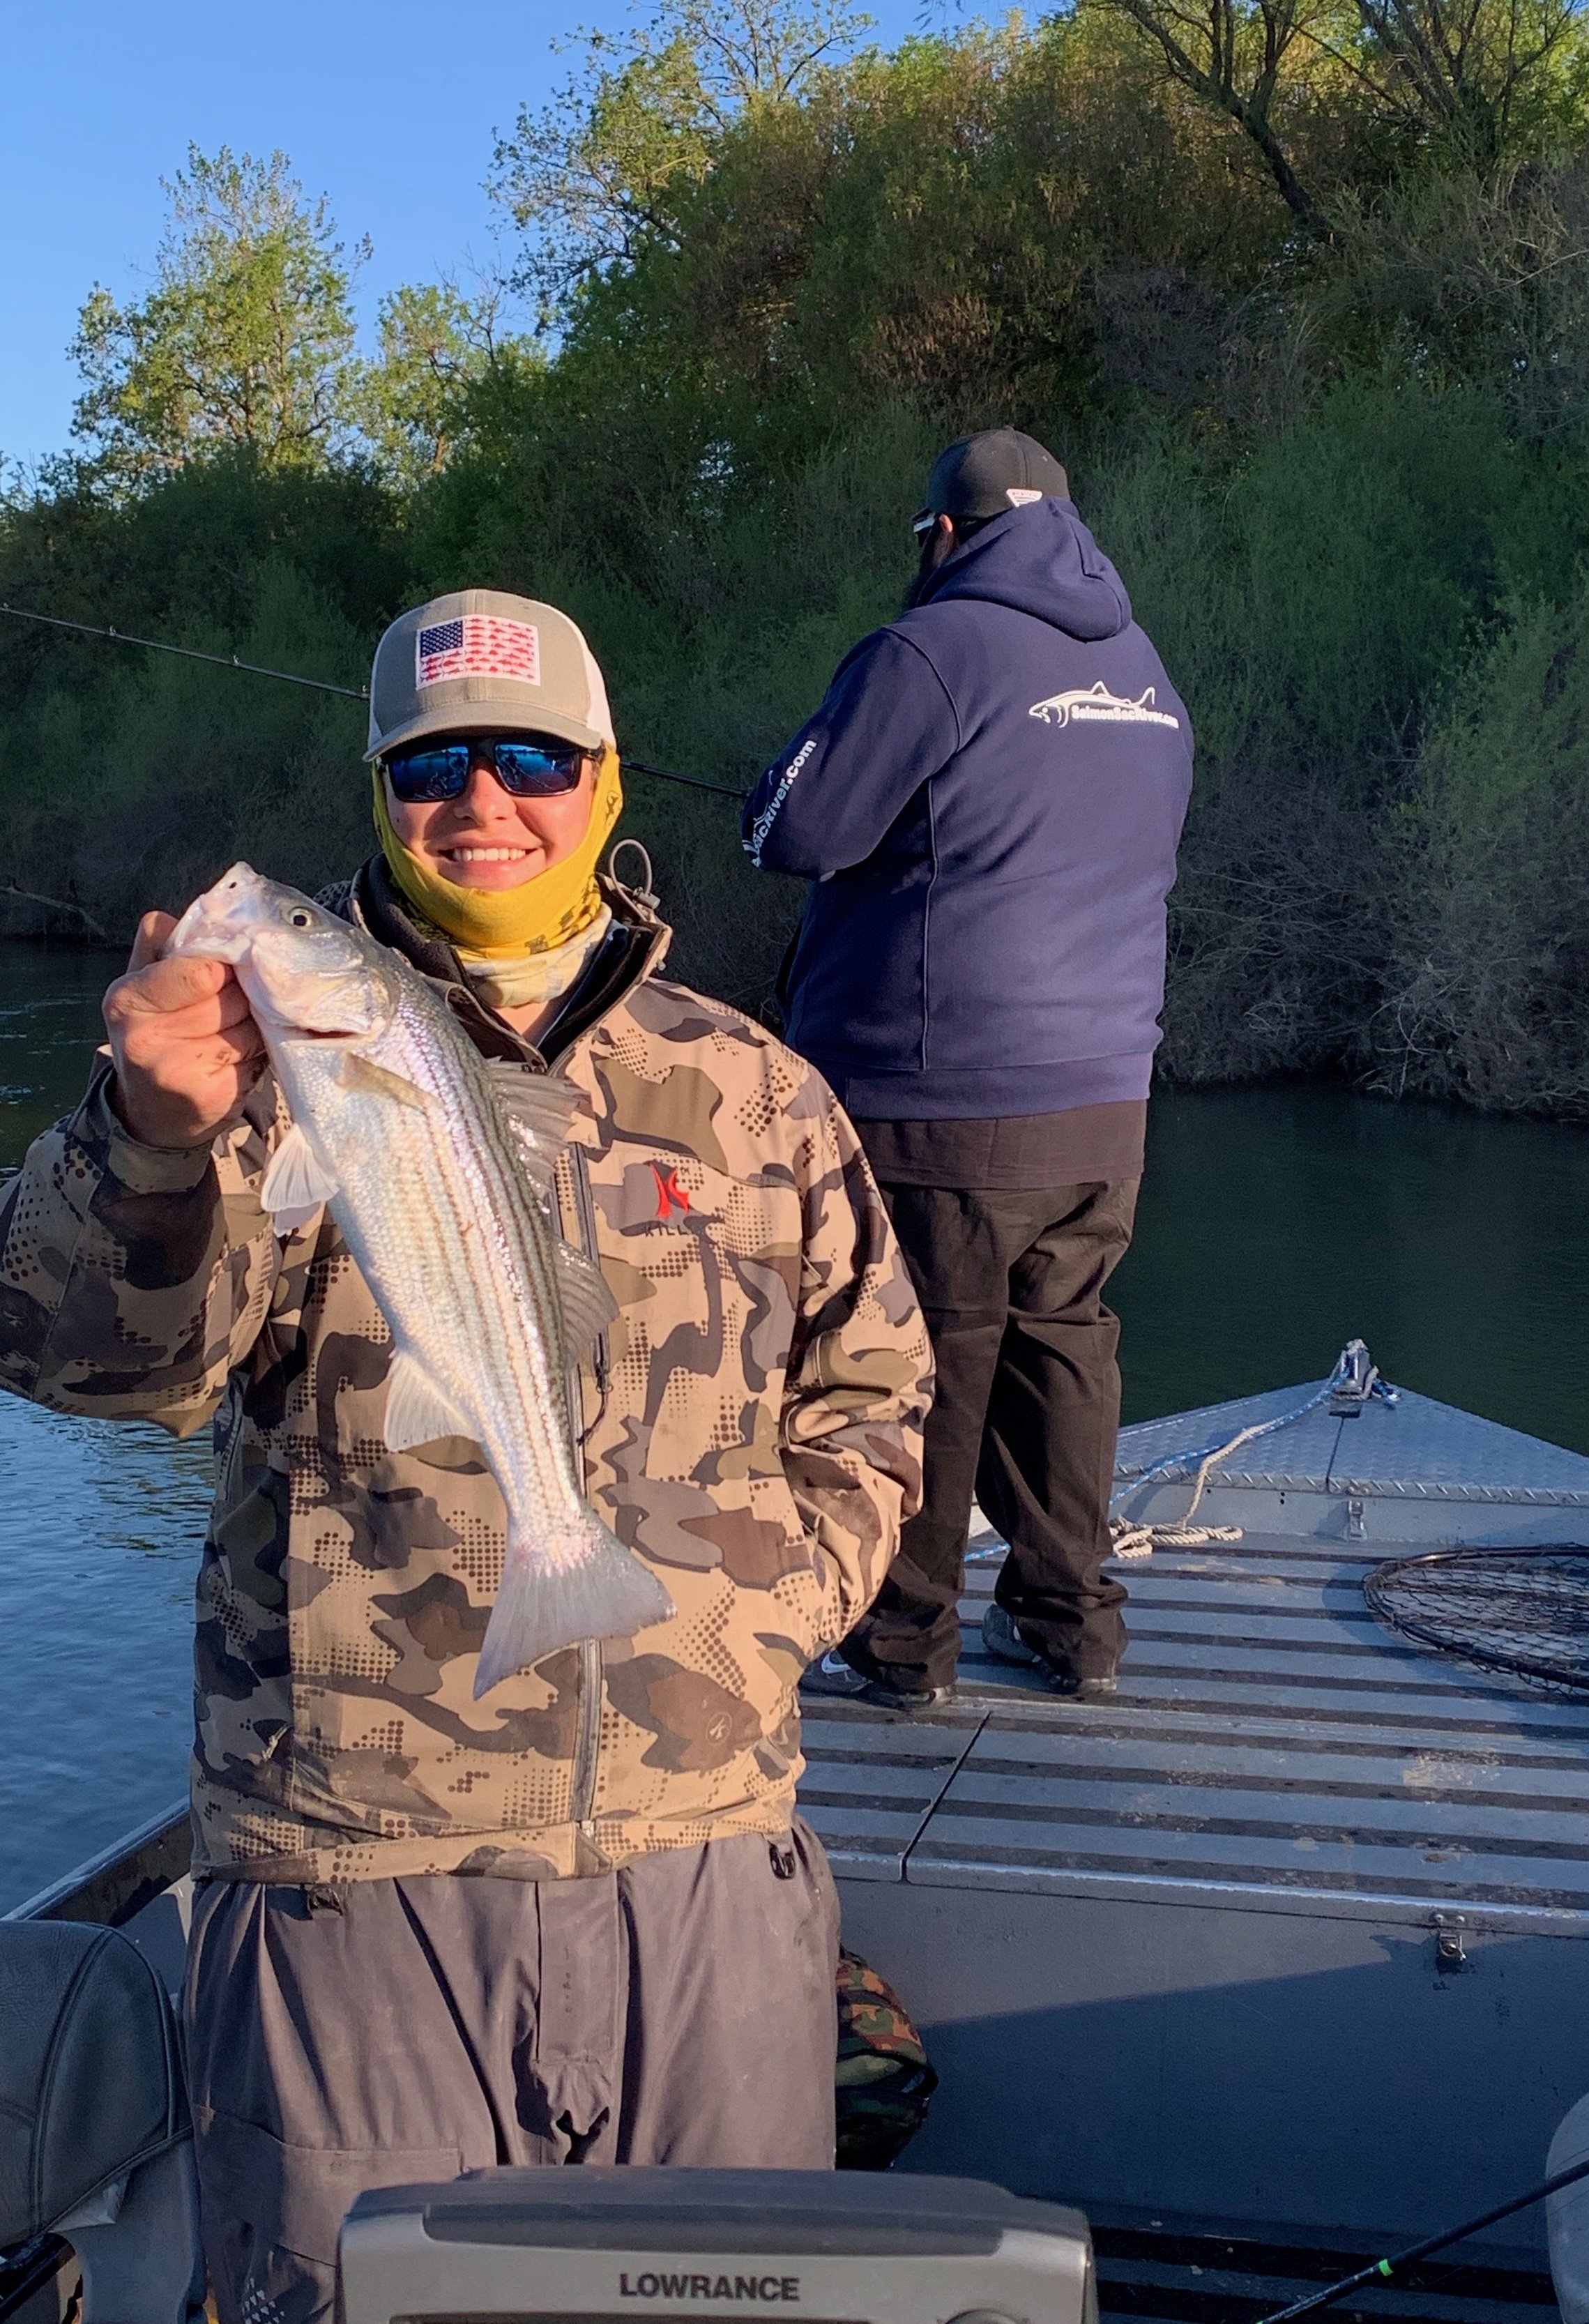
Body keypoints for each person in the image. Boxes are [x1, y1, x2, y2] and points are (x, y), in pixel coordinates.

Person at [0, 589, 932, 2324]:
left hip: (705, 1860)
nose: (481, 800)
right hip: (358, 1867)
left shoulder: (758, 1088)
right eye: (432, 762)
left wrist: (751, 1621)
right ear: (377, 788)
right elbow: (102, 1362)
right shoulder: (247, 1069)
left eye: (529, 757)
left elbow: (874, 1401)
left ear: (600, 775)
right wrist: (149, 1140)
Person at [743, 430, 1193, 1708]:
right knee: (1063, 1351)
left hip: (941, 1099)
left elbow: (793, 828)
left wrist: (776, 777)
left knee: (921, 1358)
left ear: (943, 534)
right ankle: (1072, 1626)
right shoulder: (1146, 669)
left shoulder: (927, 650)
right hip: (1107, 1103)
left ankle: (899, 1643)